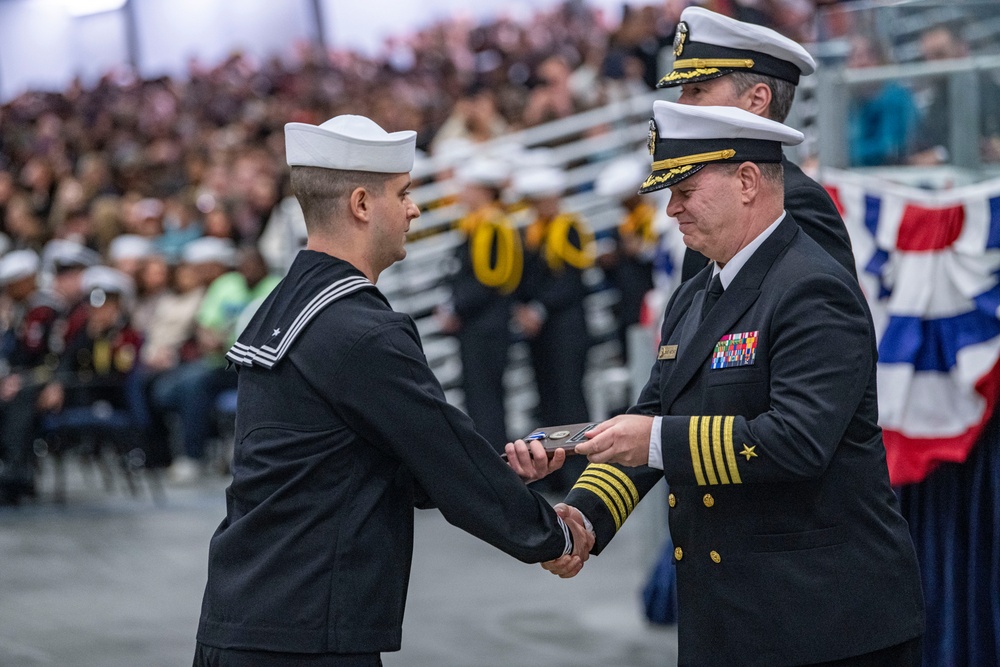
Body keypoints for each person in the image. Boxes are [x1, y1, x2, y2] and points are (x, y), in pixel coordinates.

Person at [519, 101, 926, 665]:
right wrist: (585, 516)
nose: (671, 210)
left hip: (822, 621)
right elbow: (653, 410)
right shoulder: (693, 295)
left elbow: (798, 442)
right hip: (724, 616)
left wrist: (655, 438)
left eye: (685, 191)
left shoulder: (812, 288)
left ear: (748, 180)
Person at [194, 115, 593, 666]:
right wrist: (555, 536)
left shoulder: (287, 303)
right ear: (361, 204)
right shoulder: (360, 330)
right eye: (403, 193)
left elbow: (346, 461)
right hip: (306, 634)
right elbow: (446, 459)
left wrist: (497, 467)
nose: (415, 208)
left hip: (250, 616)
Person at [658, 6, 856, 282]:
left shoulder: (793, 201)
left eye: (696, 91)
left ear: (756, 100)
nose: (681, 105)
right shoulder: (711, 202)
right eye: (682, 92)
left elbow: (825, 306)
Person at [512, 166, 595, 492]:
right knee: (547, 400)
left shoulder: (569, 228)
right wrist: (522, 307)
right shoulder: (530, 232)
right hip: (540, 334)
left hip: (566, 329)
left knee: (570, 400)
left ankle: (580, 473)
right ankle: (555, 473)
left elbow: (573, 280)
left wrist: (539, 307)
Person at [437, 157, 521, 451]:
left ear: (484, 191)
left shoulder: (495, 226)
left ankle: (496, 461)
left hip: (487, 326)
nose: (462, 194)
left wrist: (456, 308)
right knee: (478, 399)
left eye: (468, 188)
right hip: (475, 326)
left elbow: (491, 280)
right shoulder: (477, 224)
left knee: (487, 402)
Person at [594, 154, 659, 363]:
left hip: (654, 298)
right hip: (630, 305)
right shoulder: (623, 226)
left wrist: (642, 251)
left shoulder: (654, 218)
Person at [846, 35, 920, 167]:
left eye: (867, 55)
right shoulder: (853, 100)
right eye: (853, 56)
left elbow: (889, 150)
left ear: (880, 60)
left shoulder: (895, 96)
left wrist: (842, 154)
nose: (860, 62)